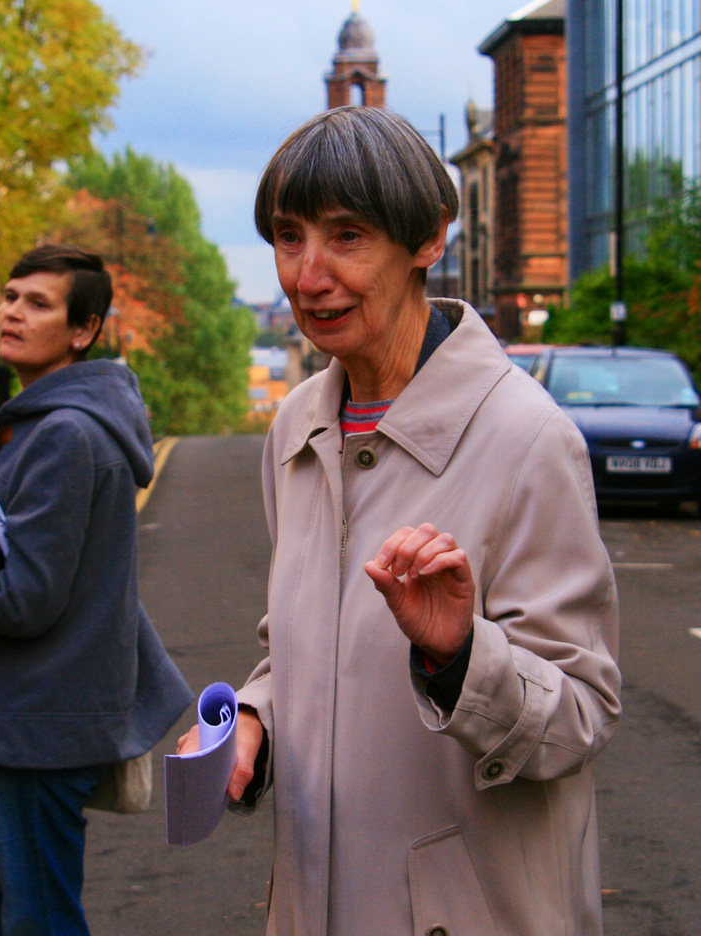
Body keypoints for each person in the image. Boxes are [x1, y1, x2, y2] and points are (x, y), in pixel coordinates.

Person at [178, 106, 621, 935]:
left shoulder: (529, 438)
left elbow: (581, 716)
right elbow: (302, 648)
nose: (308, 276)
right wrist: (254, 719)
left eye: (347, 236)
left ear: (428, 239)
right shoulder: (296, 427)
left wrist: (458, 656)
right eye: (287, 236)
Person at [0, 244, 193, 936]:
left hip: (35, 723)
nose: (13, 312)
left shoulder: (65, 437)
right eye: (10, 297)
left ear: (83, 330)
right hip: (8, 717)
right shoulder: (35, 423)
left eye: (38, 303)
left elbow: (25, 597)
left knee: (36, 922)